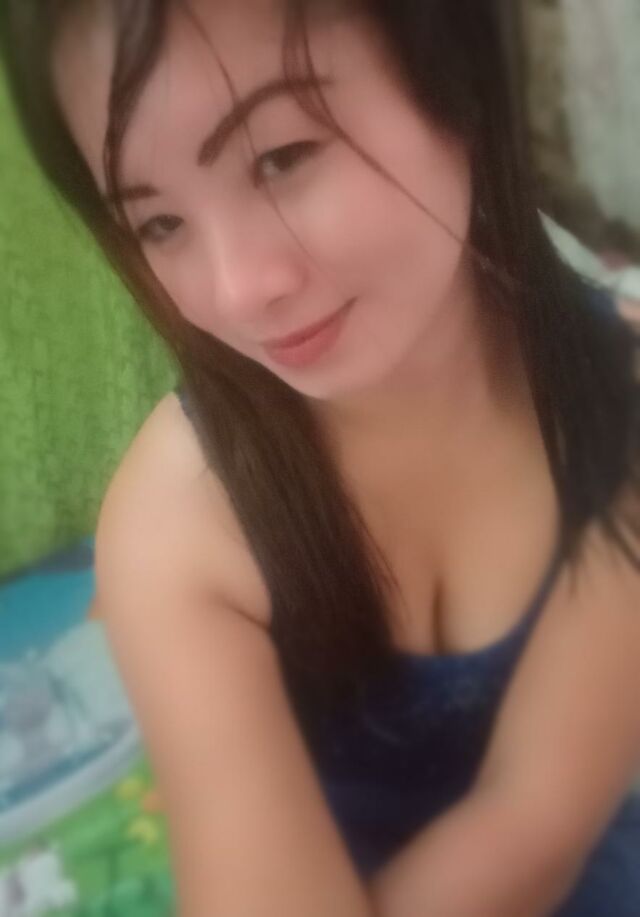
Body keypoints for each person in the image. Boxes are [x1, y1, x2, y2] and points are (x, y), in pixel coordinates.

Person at [2, 1, 639, 914]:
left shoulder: (619, 402)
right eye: (159, 224)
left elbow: (537, 822)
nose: (239, 289)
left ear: (459, 78)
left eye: (281, 156)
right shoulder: (178, 527)